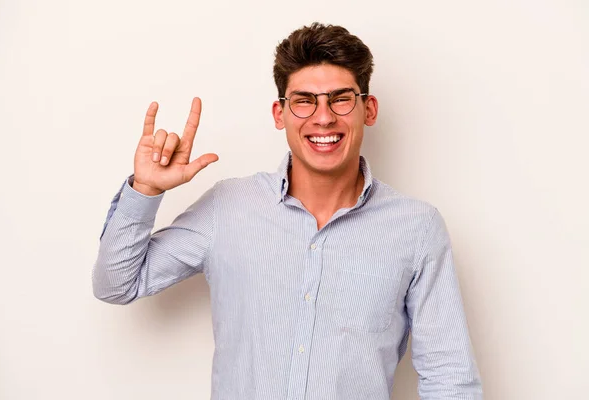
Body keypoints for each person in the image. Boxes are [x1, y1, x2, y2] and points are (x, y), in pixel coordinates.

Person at [93, 22, 482, 400]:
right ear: (280, 114)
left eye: (341, 98)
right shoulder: (228, 208)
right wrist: (144, 190)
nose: (324, 117)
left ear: (369, 108)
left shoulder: (416, 228)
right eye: (304, 101)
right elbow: (117, 285)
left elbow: (449, 377)